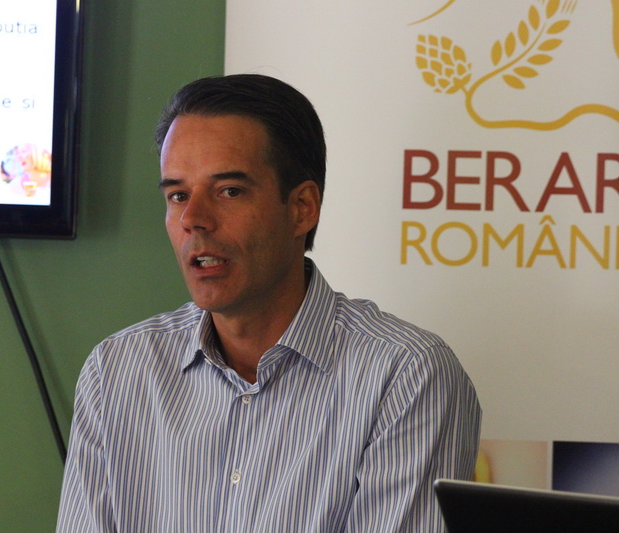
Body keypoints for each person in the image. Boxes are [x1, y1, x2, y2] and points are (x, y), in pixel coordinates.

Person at [57, 74, 481, 532]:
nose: (193, 219)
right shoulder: (117, 371)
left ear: (302, 208)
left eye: (229, 191)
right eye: (178, 195)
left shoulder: (405, 374)